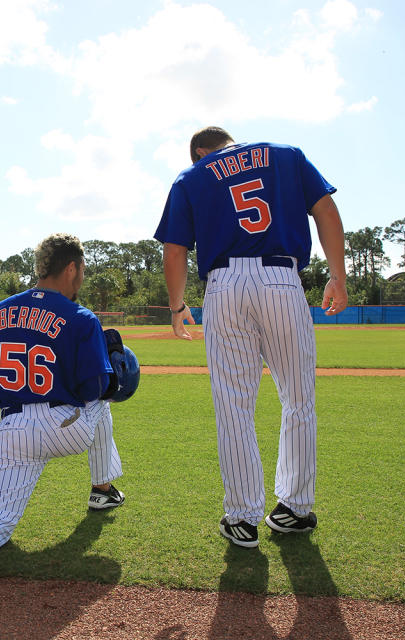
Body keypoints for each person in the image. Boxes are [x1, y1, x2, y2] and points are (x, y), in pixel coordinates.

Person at [154, 126, 348, 548]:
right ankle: (294, 509)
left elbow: (174, 250)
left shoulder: (192, 177)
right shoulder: (286, 153)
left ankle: (242, 517)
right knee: (298, 399)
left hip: (224, 285)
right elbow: (326, 211)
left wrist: (176, 307)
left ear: (201, 151)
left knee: (234, 406)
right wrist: (337, 276)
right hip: (282, 277)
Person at [0, 233, 125, 601]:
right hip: (62, 426)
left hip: (12, 426)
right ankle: (102, 490)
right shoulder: (81, 317)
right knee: (103, 403)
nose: (82, 277)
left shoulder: (3, 311)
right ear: (70, 267)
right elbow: (93, 388)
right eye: (81, 269)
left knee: (1, 519)